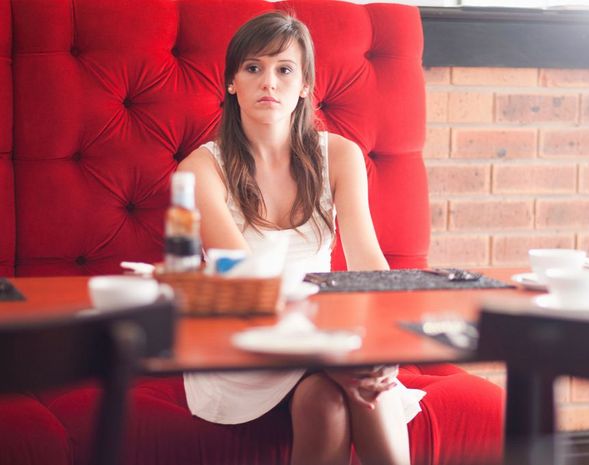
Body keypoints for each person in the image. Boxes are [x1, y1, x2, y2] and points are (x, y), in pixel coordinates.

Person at [177, 11, 423, 465]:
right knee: (356, 375)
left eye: (284, 69)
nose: (268, 82)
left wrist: (384, 346)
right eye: (253, 68)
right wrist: (344, 353)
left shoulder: (341, 156)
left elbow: (369, 262)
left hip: (323, 334)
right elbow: (246, 284)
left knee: (325, 401)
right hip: (244, 337)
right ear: (232, 81)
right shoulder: (200, 169)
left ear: (305, 85)